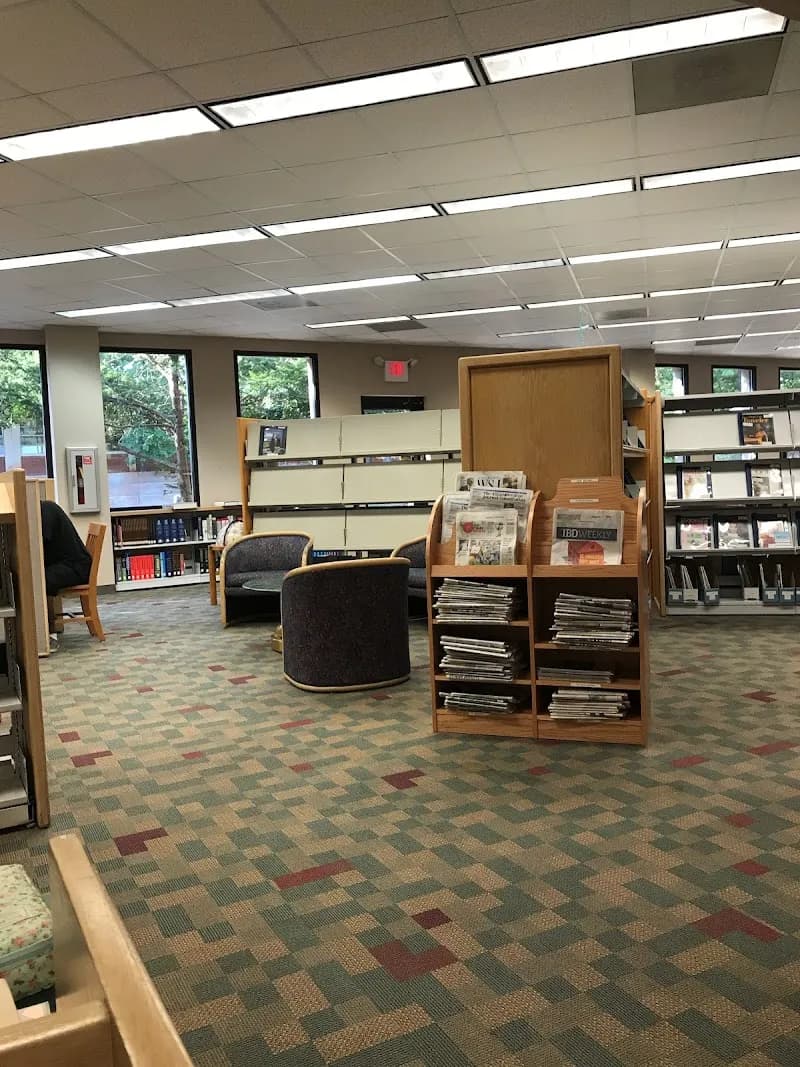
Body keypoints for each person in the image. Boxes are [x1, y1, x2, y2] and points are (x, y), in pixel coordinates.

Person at [41, 500, 92, 597]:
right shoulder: (47, 507)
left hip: (76, 568)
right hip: (75, 565)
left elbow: (39, 545)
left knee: (36, 580)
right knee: (37, 577)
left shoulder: (44, 512)